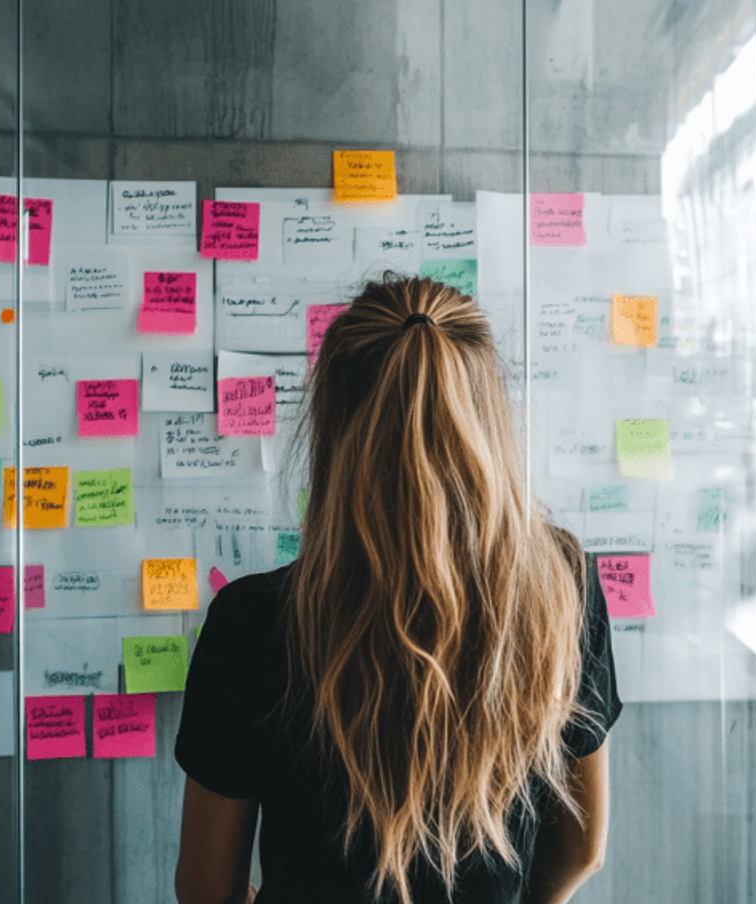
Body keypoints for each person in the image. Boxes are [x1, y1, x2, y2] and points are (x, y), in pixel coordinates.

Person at [175, 276, 622, 904]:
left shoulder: (252, 622)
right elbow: (582, 847)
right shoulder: (561, 586)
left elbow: (205, 889)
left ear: (332, 423)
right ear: (489, 413)